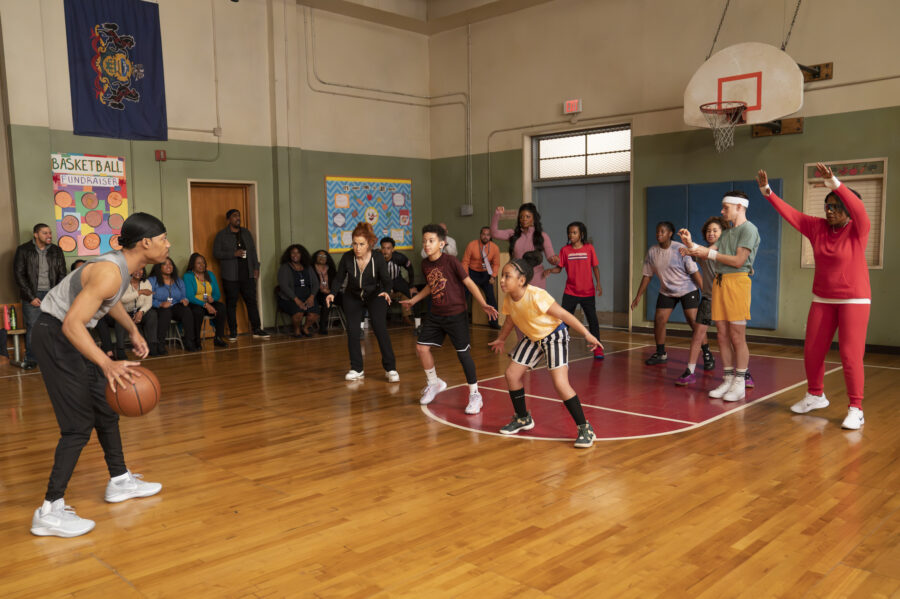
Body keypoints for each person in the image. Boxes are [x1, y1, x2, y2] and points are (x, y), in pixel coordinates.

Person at [29, 212, 166, 538]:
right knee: (77, 425)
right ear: (145, 243)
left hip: (69, 336)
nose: (168, 245)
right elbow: (72, 324)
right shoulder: (109, 271)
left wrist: (132, 329)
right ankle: (49, 510)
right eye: (163, 239)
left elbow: (109, 300)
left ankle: (119, 480)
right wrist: (107, 364)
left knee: (105, 409)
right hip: (56, 336)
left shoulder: (120, 268)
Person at [758, 163, 871, 429]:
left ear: (846, 209)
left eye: (835, 206)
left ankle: (856, 408)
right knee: (812, 350)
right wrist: (767, 192)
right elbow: (792, 215)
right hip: (822, 298)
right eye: (827, 206)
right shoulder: (818, 228)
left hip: (854, 299)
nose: (829, 211)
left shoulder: (858, 229)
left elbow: (859, 209)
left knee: (849, 355)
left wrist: (835, 184)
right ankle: (815, 395)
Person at [489, 252, 602, 448]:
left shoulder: (537, 296)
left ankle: (585, 428)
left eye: (507, 275)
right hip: (533, 338)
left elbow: (565, 315)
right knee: (512, 374)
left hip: (553, 336)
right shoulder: (509, 298)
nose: (502, 279)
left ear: (521, 280)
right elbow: (510, 319)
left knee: (560, 383)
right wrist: (501, 339)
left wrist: (587, 334)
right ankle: (523, 418)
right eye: (502, 275)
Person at [400, 224, 500, 414]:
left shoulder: (451, 261)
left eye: (431, 241)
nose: (427, 245)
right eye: (425, 241)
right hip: (436, 314)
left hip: (456, 315)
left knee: (463, 355)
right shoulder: (425, 264)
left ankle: (475, 395)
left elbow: (469, 282)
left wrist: (483, 303)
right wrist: (414, 300)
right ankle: (434, 383)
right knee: (422, 348)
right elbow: (431, 286)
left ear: (442, 243)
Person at [681, 190, 760, 402]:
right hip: (720, 283)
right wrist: (689, 244)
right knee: (722, 335)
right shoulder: (726, 233)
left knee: (737, 336)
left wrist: (708, 253)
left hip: (737, 283)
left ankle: (740, 381)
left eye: (725, 207)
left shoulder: (749, 229)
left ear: (739, 207)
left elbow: (738, 261)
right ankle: (727, 378)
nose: (722, 211)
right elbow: (705, 251)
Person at [325, 222, 398, 382]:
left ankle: (390, 368)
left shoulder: (378, 258)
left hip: (375, 296)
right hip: (352, 296)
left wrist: (387, 290)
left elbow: (386, 279)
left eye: (361, 244)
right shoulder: (347, 257)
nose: (357, 248)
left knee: (380, 329)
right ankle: (357, 369)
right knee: (352, 331)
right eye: (355, 244)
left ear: (370, 244)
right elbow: (338, 278)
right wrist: (332, 293)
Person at [631, 221, 704, 365]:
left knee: (693, 321)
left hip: (688, 289)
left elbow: (695, 273)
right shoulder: (652, 251)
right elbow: (647, 275)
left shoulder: (681, 249)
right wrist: (638, 296)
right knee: (659, 320)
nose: (659, 234)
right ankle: (660, 353)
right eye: (657, 231)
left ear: (670, 234)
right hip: (667, 291)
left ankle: (707, 352)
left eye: (662, 231)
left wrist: (707, 293)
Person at [675, 217, 725, 386]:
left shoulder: (726, 250)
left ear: (723, 233)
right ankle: (690, 370)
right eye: (708, 231)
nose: (711, 233)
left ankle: (742, 373)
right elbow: (699, 251)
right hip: (708, 298)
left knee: (731, 336)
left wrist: (690, 246)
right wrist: (689, 245)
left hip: (726, 300)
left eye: (715, 230)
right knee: (698, 334)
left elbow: (703, 251)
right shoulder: (703, 252)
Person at [545, 221, 605, 359]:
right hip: (570, 292)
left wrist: (599, 284)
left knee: (593, 320)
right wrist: (549, 271)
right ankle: (560, 347)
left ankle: (598, 348)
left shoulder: (589, 248)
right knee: (564, 320)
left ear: (581, 234)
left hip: (588, 292)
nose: (571, 235)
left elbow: (595, 267)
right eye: (569, 233)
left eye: (574, 232)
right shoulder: (565, 250)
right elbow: (560, 268)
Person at [13, 223, 68, 369]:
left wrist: (56, 295)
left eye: (50, 233)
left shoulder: (57, 251)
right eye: (45, 233)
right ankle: (32, 359)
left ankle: (55, 358)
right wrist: (30, 297)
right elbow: (19, 275)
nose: (49, 235)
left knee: (55, 326)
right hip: (32, 294)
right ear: (36, 234)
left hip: (52, 294)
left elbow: (62, 274)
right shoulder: (23, 250)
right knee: (33, 327)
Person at [212, 209, 270, 340]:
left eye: (238, 216)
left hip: (248, 274)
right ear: (228, 220)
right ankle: (233, 331)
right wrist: (233, 254)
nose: (238, 218)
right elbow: (216, 253)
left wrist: (256, 267)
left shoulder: (246, 233)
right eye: (234, 216)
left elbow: (253, 251)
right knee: (231, 304)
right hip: (230, 276)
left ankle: (257, 329)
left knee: (251, 302)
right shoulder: (221, 235)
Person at [491, 204, 558, 289]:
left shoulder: (542, 236)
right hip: (517, 278)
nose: (524, 219)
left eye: (527, 216)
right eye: (521, 217)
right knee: (518, 302)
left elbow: (551, 258)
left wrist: (555, 260)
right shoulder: (513, 234)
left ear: (534, 218)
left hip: (537, 278)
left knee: (534, 302)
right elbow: (494, 233)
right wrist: (497, 214)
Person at [149, 258, 198, 353]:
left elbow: (184, 296)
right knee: (165, 313)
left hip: (175, 305)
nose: (169, 266)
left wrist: (185, 300)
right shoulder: (152, 280)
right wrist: (160, 304)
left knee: (186, 311)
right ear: (159, 267)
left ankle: (189, 341)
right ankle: (160, 344)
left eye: (170, 264)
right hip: (159, 307)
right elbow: (147, 299)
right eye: (165, 264)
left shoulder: (178, 281)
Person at [183, 253, 227, 348]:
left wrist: (213, 299)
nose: (201, 265)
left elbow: (217, 294)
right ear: (193, 264)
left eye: (203, 263)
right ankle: (196, 340)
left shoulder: (210, 274)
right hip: (195, 303)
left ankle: (218, 338)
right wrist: (205, 305)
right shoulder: (188, 276)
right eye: (198, 263)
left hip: (209, 303)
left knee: (221, 307)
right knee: (197, 312)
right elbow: (189, 296)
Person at [460, 226, 500, 330]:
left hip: (486, 273)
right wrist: (466, 276)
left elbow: (496, 264)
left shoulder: (495, 248)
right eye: (483, 234)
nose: (485, 236)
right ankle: (460, 321)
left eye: (488, 235)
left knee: (491, 297)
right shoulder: (472, 245)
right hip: (471, 273)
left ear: (490, 236)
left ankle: (494, 323)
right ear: (480, 235)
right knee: (463, 296)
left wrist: (493, 276)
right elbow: (465, 262)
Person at [277, 244, 320, 337]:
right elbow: (284, 286)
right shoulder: (285, 267)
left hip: (307, 296)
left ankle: (305, 328)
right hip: (290, 298)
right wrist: (296, 300)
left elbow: (316, 283)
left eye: (298, 253)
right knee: (299, 313)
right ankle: (297, 330)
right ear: (289, 254)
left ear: (302, 255)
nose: (295, 255)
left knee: (314, 314)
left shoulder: (308, 267)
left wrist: (312, 297)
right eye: (293, 253)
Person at [380, 237, 416, 325]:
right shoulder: (377, 257)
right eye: (383, 248)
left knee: (407, 292)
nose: (385, 251)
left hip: (397, 281)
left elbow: (410, 269)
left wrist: (411, 286)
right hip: (382, 283)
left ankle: (406, 317)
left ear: (392, 249)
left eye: (388, 248)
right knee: (375, 295)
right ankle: (380, 319)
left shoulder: (399, 257)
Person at [312, 249, 338, 334]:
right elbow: (311, 284)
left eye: (324, 256)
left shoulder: (331, 269)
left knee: (346, 298)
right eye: (319, 256)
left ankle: (352, 324)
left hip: (331, 292)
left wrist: (331, 291)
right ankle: (323, 326)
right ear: (315, 258)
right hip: (317, 294)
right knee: (327, 300)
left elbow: (336, 282)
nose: (321, 258)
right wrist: (322, 290)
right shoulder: (311, 269)